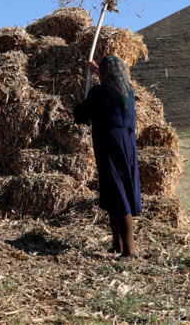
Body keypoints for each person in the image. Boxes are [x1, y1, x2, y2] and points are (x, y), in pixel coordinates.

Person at [74, 55, 141, 258]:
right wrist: (98, 71)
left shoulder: (99, 92)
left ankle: (129, 250)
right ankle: (117, 244)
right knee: (116, 190)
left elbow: (80, 116)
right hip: (126, 143)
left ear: (104, 75)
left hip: (109, 143)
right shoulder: (127, 92)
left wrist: (81, 102)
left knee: (117, 191)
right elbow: (110, 84)